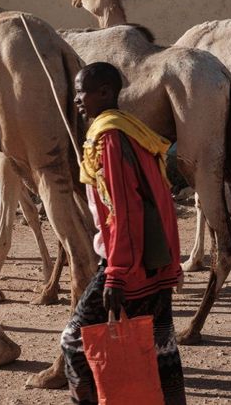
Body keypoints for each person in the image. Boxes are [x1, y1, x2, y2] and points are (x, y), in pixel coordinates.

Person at [61, 62, 186, 405]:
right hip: (153, 259)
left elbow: (124, 210)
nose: (77, 100)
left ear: (105, 92)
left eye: (82, 91)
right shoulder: (131, 130)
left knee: (74, 340)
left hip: (127, 262)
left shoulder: (111, 138)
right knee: (161, 349)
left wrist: (116, 274)